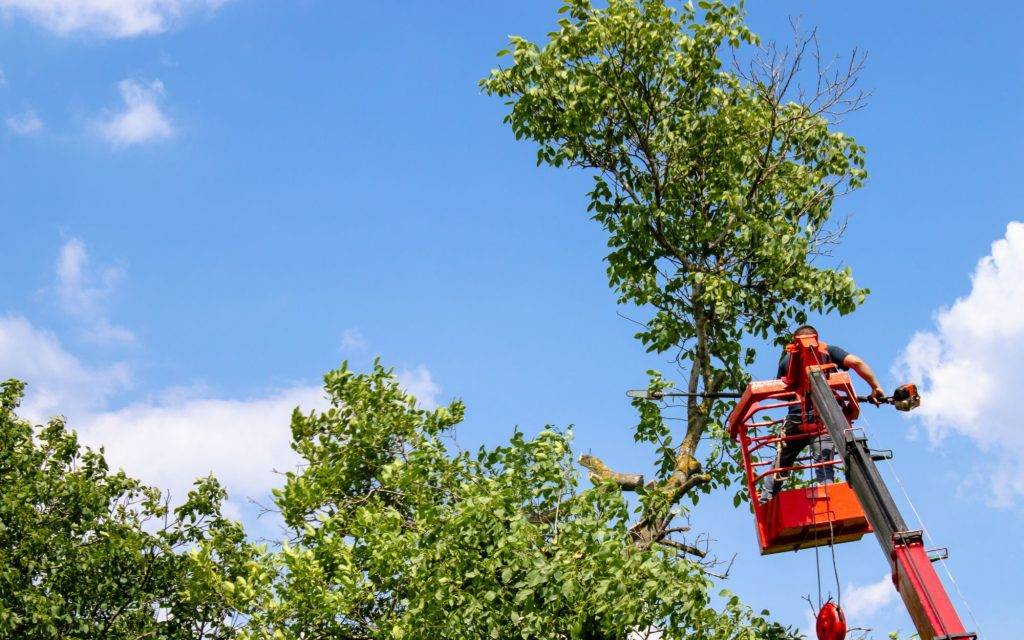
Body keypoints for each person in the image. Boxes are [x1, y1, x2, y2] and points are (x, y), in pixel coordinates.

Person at [760, 325, 886, 504]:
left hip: (797, 421)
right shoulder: (828, 351)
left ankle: (766, 501)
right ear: (816, 338)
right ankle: (829, 501)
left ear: (794, 342)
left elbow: (781, 392)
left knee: (781, 463)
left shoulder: (787, 359)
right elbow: (857, 362)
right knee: (824, 465)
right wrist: (875, 386)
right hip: (824, 419)